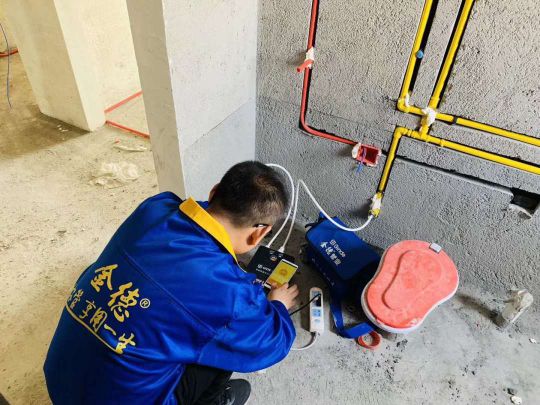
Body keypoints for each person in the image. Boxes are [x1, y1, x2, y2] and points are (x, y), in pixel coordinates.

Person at [44, 161, 299, 405]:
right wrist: (277, 306)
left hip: (60, 380)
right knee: (229, 346)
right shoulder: (229, 292)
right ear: (260, 233)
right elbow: (271, 344)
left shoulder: (154, 208)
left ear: (213, 192)